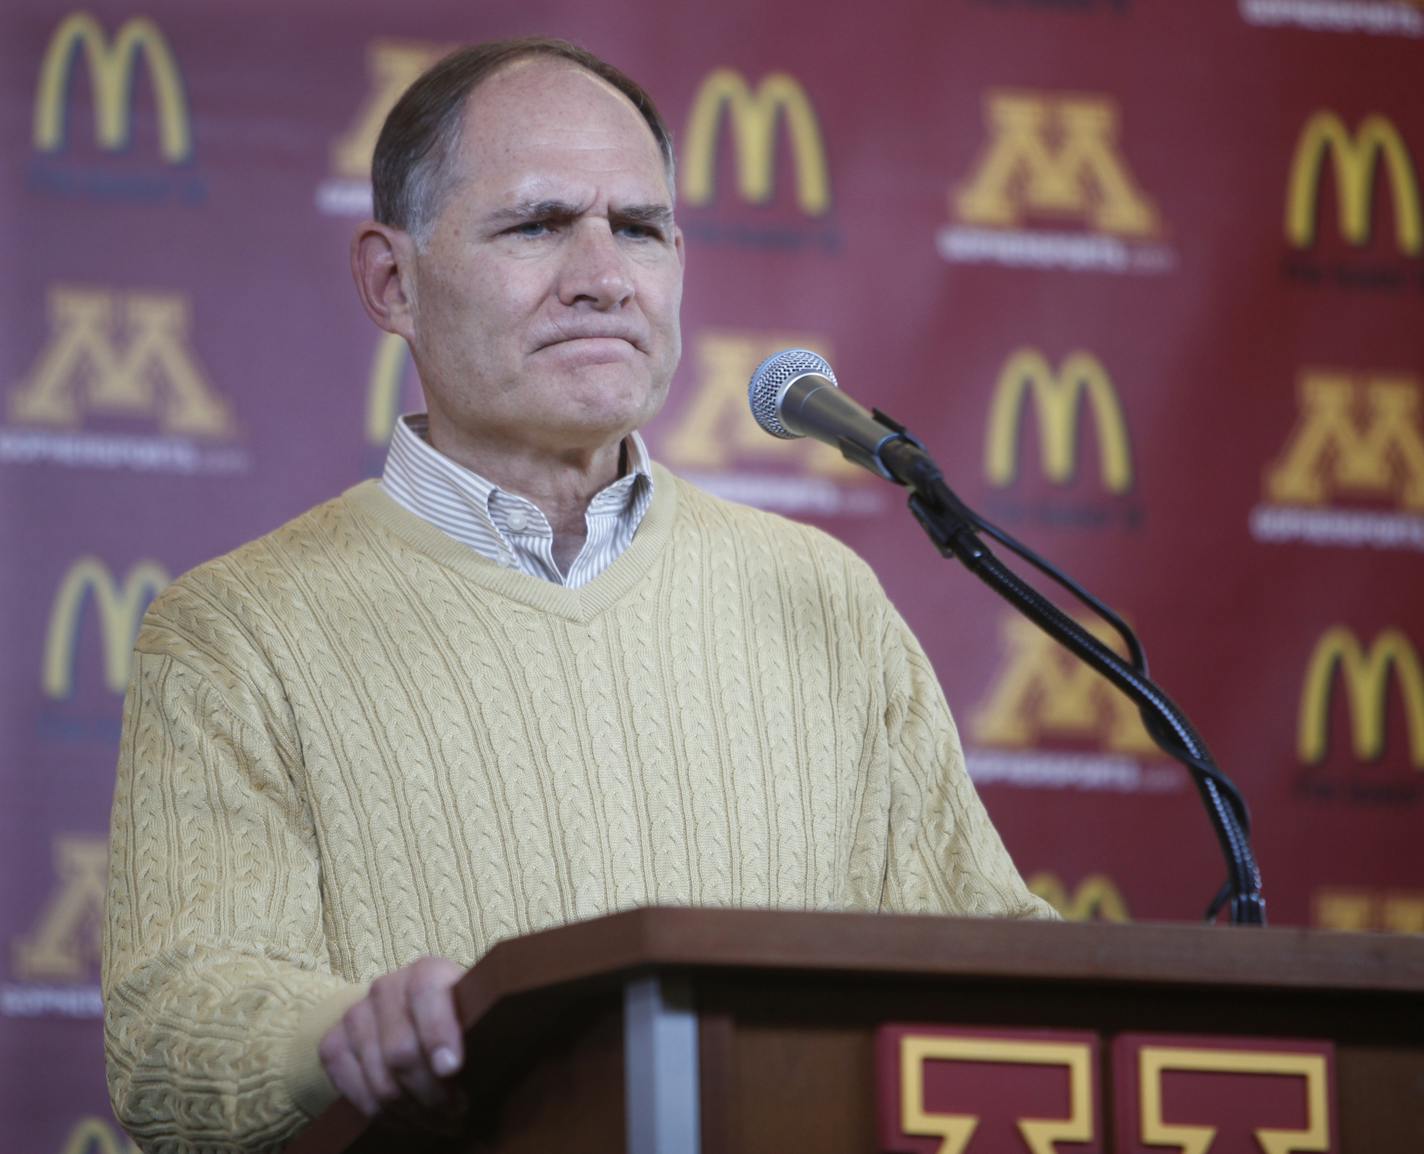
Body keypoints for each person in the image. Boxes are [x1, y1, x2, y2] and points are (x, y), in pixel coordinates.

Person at [102, 37, 1054, 1153]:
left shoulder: (819, 595)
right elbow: (169, 1038)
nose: (604, 274)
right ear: (390, 280)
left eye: (638, 228)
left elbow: (991, 973)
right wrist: (343, 1031)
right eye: (538, 224)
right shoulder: (235, 631)